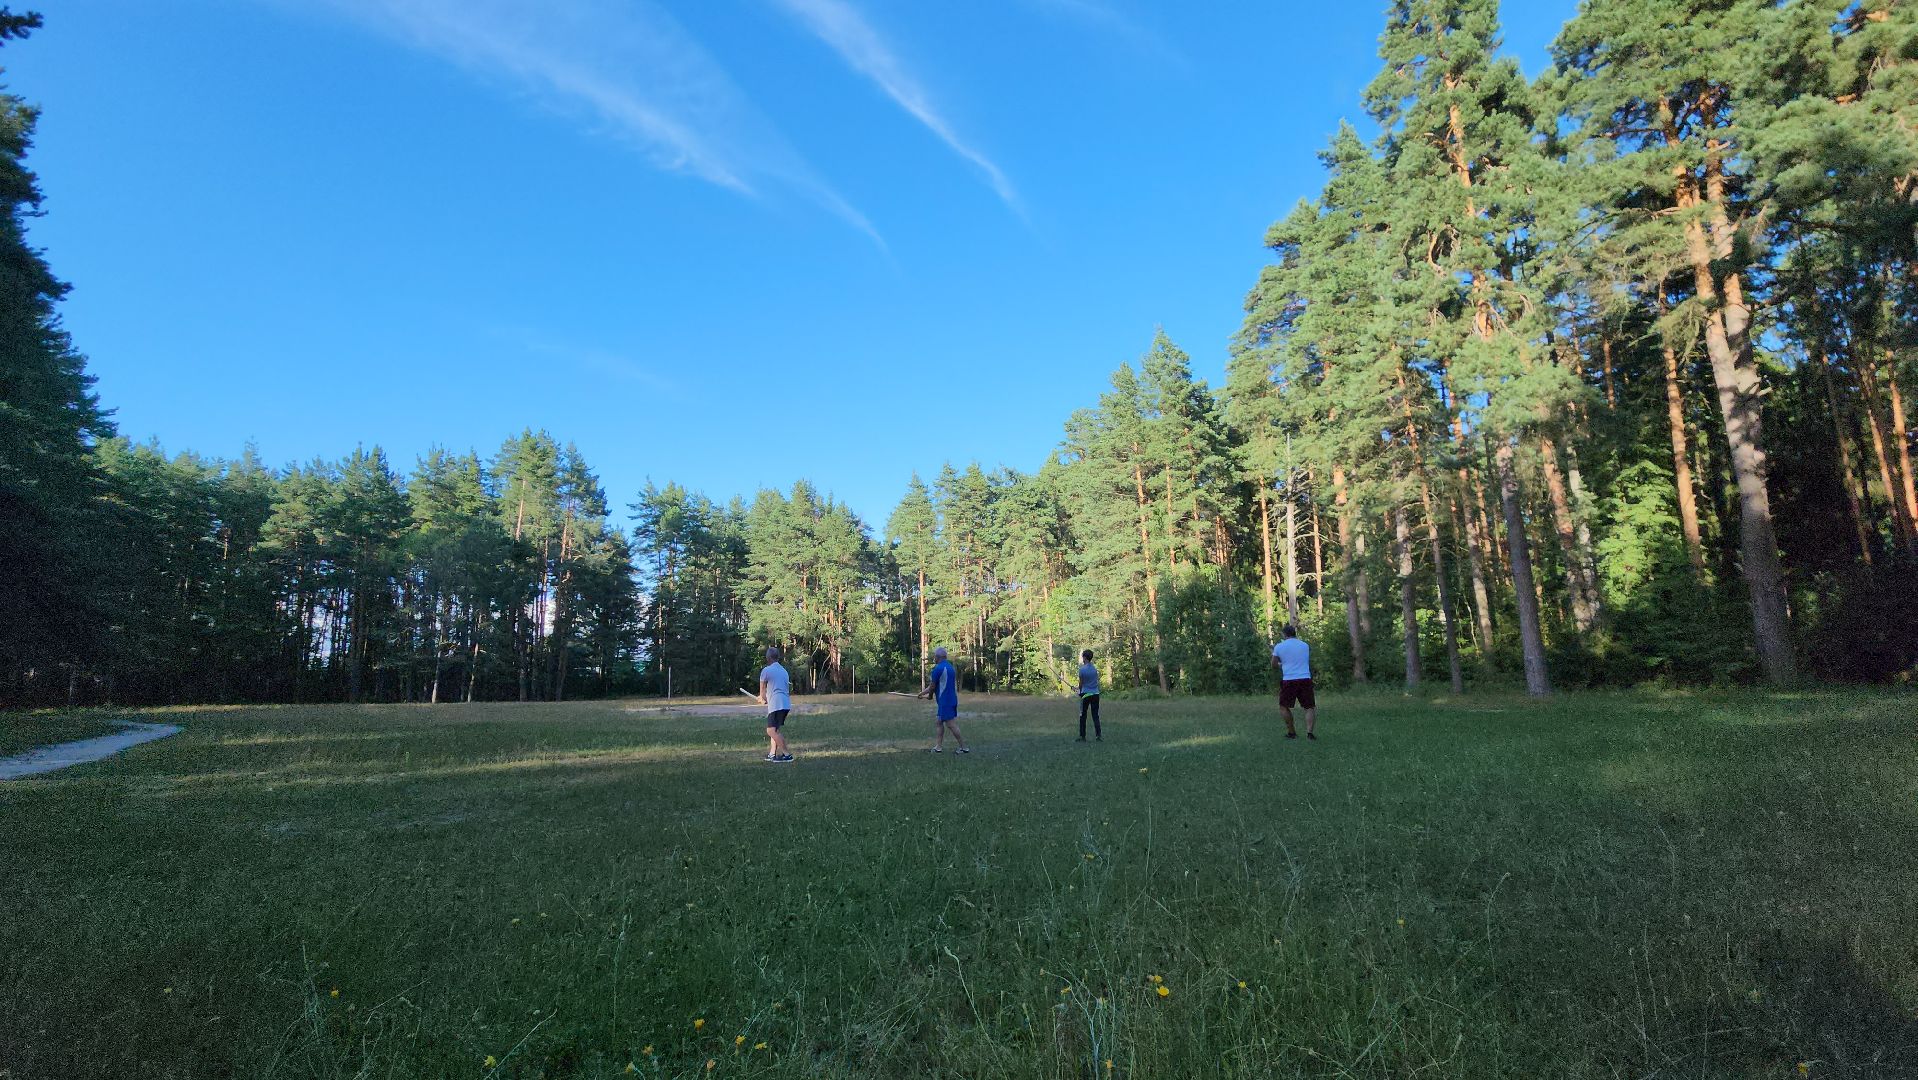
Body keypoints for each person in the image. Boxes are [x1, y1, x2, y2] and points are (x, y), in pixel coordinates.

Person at [916, 646, 969, 753]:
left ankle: (964, 748)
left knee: (951, 724)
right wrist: (923, 694)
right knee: (939, 722)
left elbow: (932, 686)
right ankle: (938, 747)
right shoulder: (950, 667)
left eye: (935, 656)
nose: (934, 658)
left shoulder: (938, 669)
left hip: (945, 702)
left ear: (938, 657)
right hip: (951, 700)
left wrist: (928, 695)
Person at [1270, 624, 1316, 740]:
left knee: (1284, 706)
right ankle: (1310, 733)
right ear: (1295, 633)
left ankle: (1292, 732)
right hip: (1305, 678)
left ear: (1284, 634)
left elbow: (1273, 665)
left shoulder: (1279, 647)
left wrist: (1280, 664)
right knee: (1309, 707)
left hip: (1289, 680)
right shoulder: (1305, 645)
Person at [757, 645, 795, 762]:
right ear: (777, 657)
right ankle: (772, 754)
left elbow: (762, 692)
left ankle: (787, 754)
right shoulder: (784, 671)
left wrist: (762, 699)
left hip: (776, 704)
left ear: (768, 658)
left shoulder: (766, 671)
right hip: (785, 703)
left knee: (770, 731)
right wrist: (765, 699)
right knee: (775, 730)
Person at [1075, 649, 1101, 742]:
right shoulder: (1094, 669)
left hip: (1086, 694)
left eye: (1083, 657)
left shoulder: (1082, 670)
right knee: (1095, 715)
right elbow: (1094, 682)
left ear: (1085, 657)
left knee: (1083, 715)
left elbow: (1081, 683)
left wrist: (1078, 690)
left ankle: (1082, 736)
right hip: (1095, 694)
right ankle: (1098, 736)